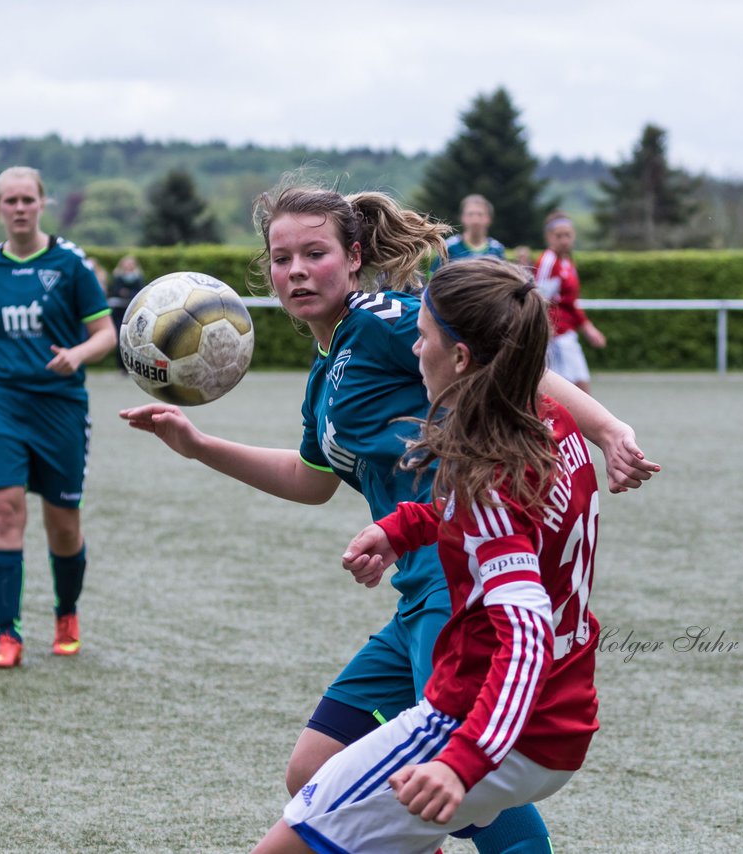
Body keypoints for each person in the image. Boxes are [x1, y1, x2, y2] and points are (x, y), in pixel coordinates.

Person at [121, 184, 656, 854]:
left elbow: (502, 360)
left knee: (465, 782)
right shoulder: (326, 375)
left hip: (463, 589)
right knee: (312, 768)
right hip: (418, 593)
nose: (296, 270)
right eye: (281, 257)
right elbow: (311, 481)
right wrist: (199, 446)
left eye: (314, 253)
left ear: (352, 257)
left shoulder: (383, 320)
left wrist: (606, 429)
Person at [256, 257, 601, 854]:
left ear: (461, 358)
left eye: (424, 337)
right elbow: (514, 523)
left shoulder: (485, 474)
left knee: (286, 844)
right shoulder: (553, 424)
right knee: (310, 774)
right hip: (565, 708)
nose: (414, 349)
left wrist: (459, 761)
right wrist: (402, 529)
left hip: (489, 717)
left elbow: (524, 637)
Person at [0, 166, 116, 668]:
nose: (19, 208)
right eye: (10, 201)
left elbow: (106, 331)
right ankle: (7, 635)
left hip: (60, 408)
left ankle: (66, 613)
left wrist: (78, 355)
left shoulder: (69, 264)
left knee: (63, 525)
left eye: (27, 199)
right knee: (3, 513)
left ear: (42, 203)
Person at [534, 212, 606, 394]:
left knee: (581, 389)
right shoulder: (548, 261)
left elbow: (571, 302)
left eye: (568, 235)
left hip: (567, 335)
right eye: (559, 236)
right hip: (555, 337)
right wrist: (544, 335)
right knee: (565, 394)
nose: (564, 240)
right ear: (549, 237)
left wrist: (587, 327)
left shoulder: (567, 262)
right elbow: (538, 300)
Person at [429, 194, 505, 275]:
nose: (475, 219)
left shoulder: (497, 249)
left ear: (489, 219)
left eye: (480, 214)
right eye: (470, 214)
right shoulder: (448, 247)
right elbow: (432, 280)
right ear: (462, 218)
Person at [108, 254, 145, 371]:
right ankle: (121, 366)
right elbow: (115, 291)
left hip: (133, 312)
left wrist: (126, 293)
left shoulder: (138, 278)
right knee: (120, 338)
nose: (128, 266)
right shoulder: (117, 277)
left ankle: (133, 366)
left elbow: (139, 292)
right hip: (119, 312)